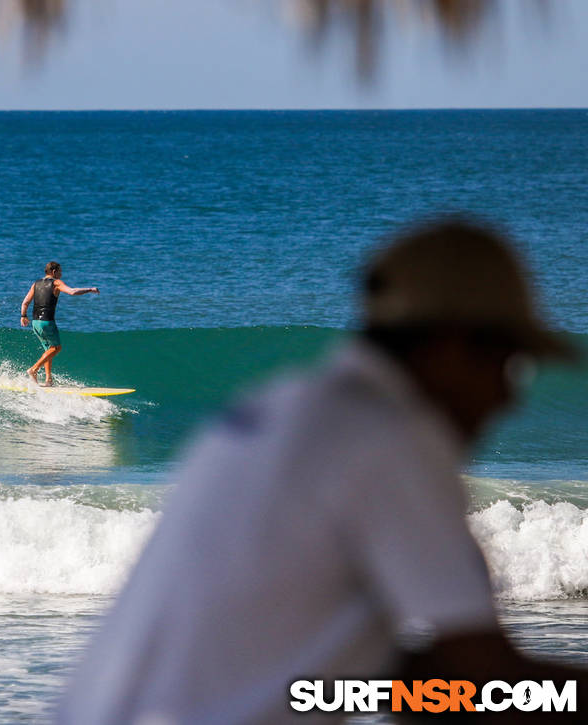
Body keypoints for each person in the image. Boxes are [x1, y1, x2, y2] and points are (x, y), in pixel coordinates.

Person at [57, 219, 584, 724]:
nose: (508, 397)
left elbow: (429, 682)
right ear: (455, 344)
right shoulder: (387, 437)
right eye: (507, 363)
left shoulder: (284, 407)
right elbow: (488, 682)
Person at [20, 261, 99, 386]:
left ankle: (48, 380)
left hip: (35, 322)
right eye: (60, 271)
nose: (61, 274)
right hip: (47, 322)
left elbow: (25, 302)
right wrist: (89, 289)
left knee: (48, 350)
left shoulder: (36, 284)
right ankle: (34, 369)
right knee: (56, 348)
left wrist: (23, 316)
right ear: (54, 271)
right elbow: (72, 291)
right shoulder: (56, 283)